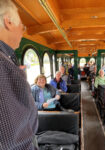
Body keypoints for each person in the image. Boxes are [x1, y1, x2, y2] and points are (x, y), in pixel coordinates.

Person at [0, 0, 38, 149]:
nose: (23, 31)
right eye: (23, 26)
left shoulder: (8, 64)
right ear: (8, 21)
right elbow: (15, 142)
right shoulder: (4, 66)